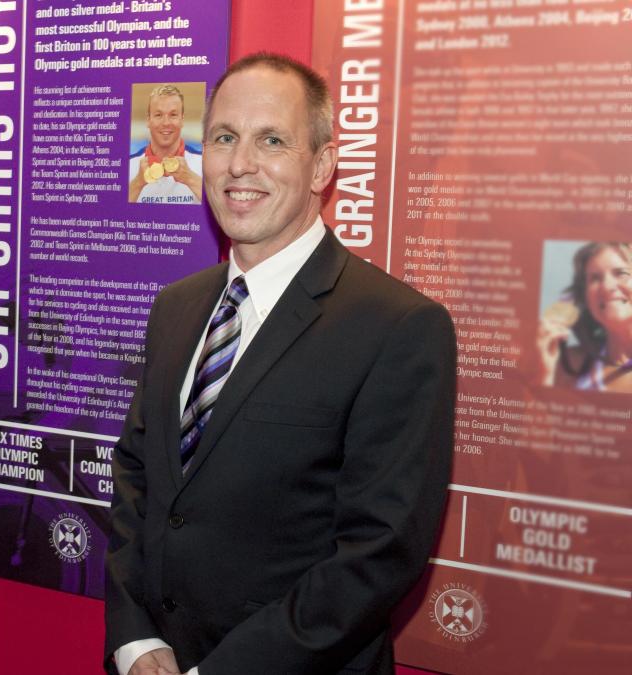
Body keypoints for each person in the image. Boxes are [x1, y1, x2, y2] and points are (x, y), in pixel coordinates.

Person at [104, 53, 456, 674]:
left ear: (322, 164)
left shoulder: (397, 327)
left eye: (272, 140)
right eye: (223, 138)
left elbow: (377, 553)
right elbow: (137, 477)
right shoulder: (177, 306)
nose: (241, 164)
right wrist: (135, 639)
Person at [536, 242, 632, 393]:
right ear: (585, 297)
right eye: (594, 278)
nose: (607, 286)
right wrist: (544, 375)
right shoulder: (570, 363)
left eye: (621, 273)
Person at [128, 84, 203, 204]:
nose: (166, 123)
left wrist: (190, 179)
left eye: (173, 115)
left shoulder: (203, 164)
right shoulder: (129, 165)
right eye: (158, 115)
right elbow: (110, 214)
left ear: (182, 120)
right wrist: (137, 183)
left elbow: (221, 213)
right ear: (148, 120)